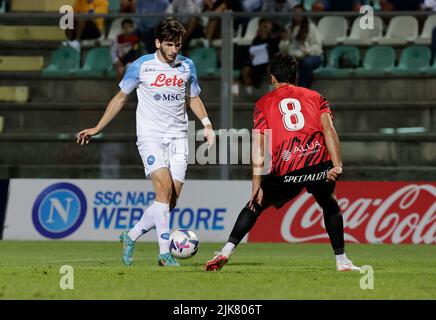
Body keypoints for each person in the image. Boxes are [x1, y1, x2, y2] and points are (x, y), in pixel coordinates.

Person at [77, 18, 216, 267]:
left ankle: (130, 236)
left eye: (178, 45)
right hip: (151, 137)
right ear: (158, 43)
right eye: (170, 45)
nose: (175, 50)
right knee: (162, 189)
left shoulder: (187, 66)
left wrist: (206, 124)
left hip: (178, 138)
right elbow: (120, 98)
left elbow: (193, 97)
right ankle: (164, 254)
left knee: (170, 200)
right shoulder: (141, 66)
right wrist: (98, 127)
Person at [204, 53, 361, 272]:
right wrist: (337, 165)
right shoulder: (315, 96)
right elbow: (329, 130)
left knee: (255, 204)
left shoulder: (262, 103)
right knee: (330, 205)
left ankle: (225, 251)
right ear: (295, 76)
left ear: (272, 78)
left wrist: (256, 182)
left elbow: (258, 145)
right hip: (318, 162)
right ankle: (342, 261)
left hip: (287, 169)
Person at [279, 4, 323, 88]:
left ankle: (303, 88)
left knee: (304, 63)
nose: (297, 15)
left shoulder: (311, 27)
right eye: (295, 13)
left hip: (312, 56)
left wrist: (307, 51)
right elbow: (282, 49)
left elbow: (318, 45)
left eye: (299, 13)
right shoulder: (288, 28)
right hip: (294, 56)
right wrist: (286, 40)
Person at [241, 18, 280, 95]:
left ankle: (271, 90)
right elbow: (252, 51)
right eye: (263, 24)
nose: (265, 26)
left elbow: (276, 52)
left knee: (270, 68)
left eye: (267, 24)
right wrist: (251, 56)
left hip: (269, 62)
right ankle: (250, 93)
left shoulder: (274, 39)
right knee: (246, 70)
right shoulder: (256, 39)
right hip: (257, 63)